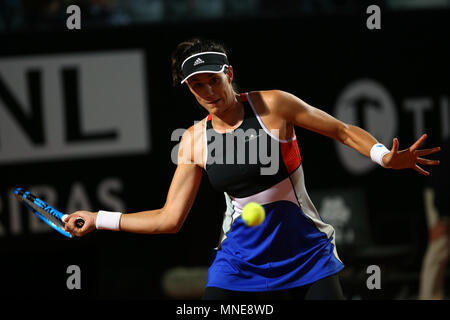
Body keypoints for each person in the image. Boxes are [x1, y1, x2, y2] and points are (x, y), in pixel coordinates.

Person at [64, 38, 441, 300]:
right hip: (238, 267)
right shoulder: (193, 141)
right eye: (197, 86)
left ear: (229, 72)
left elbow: (341, 130)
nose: (209, 91)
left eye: (214, 79)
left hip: (307, 258)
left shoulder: (273, 105)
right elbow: (169, 218)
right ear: (189, 91)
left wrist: (382, 156)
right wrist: (99, 218)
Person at [419, 137, 449, 300]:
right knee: (436, 256)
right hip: (441, 210)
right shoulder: (445, 150)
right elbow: (436, 188)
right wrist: (439, 220)